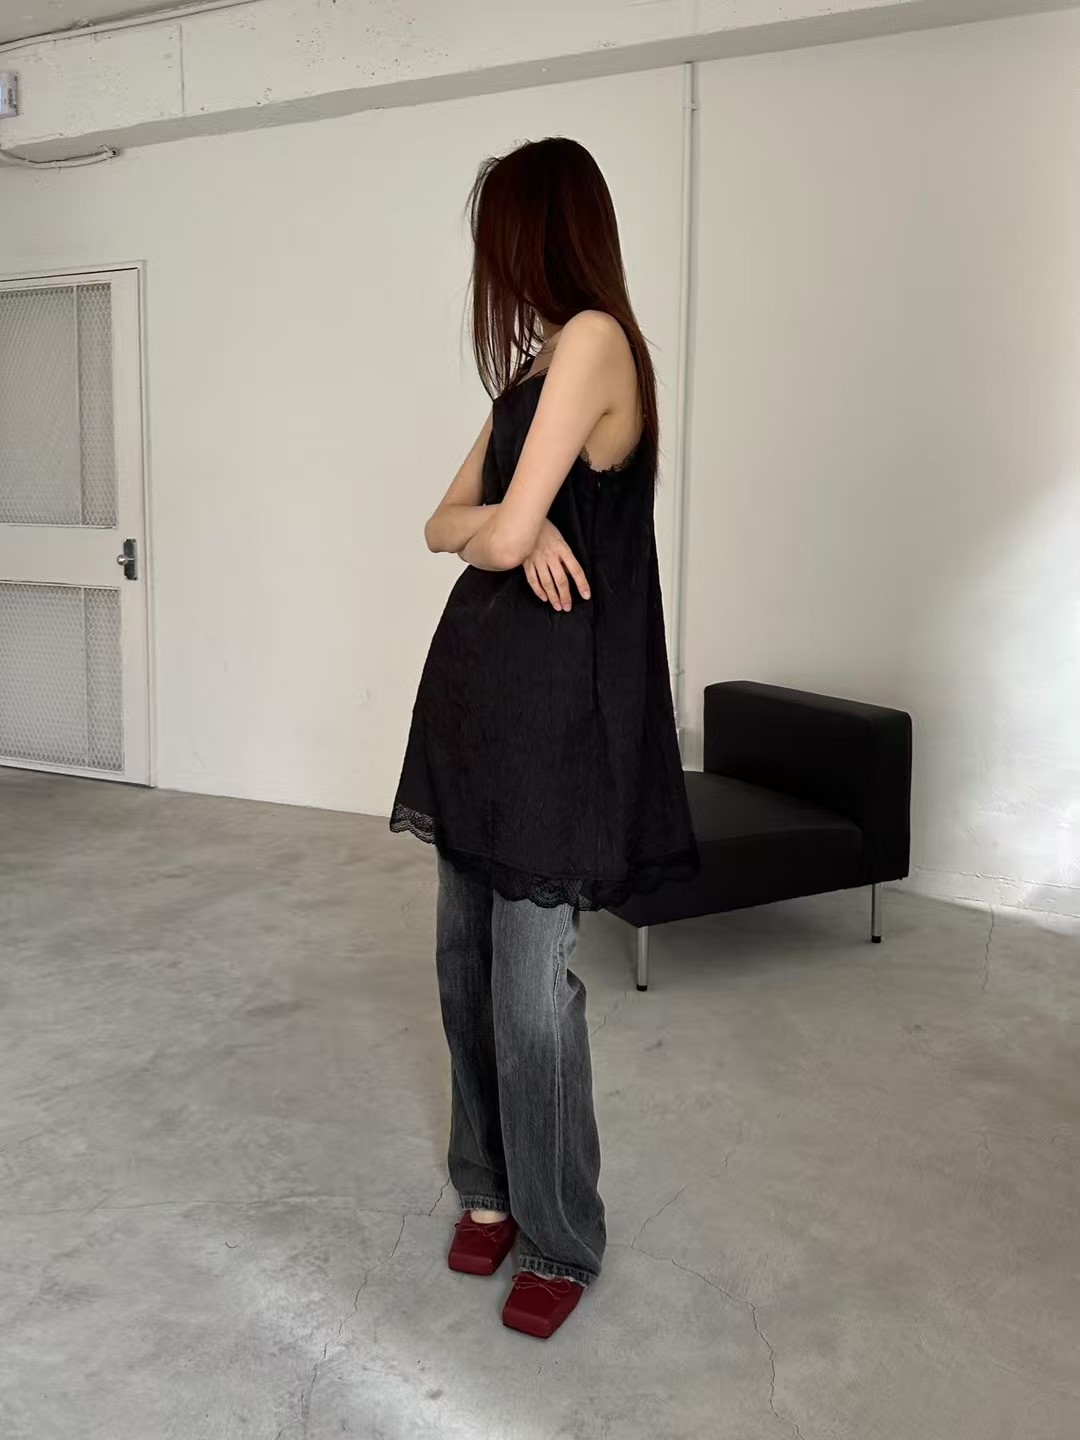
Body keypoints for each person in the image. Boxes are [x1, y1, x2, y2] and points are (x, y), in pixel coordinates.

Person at [390, 137, 697, 1339]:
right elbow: (439, 524)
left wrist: (515, 529)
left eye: (500, 237)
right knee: (461, 966)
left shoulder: (596, 343)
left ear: (543, 231)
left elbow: (496, 534)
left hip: (562, 721)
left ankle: (561, 1235)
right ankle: (487, 1184)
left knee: (530, 995)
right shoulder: (531, 366)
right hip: (479, 701)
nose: (492, 263)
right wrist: (512, 528)